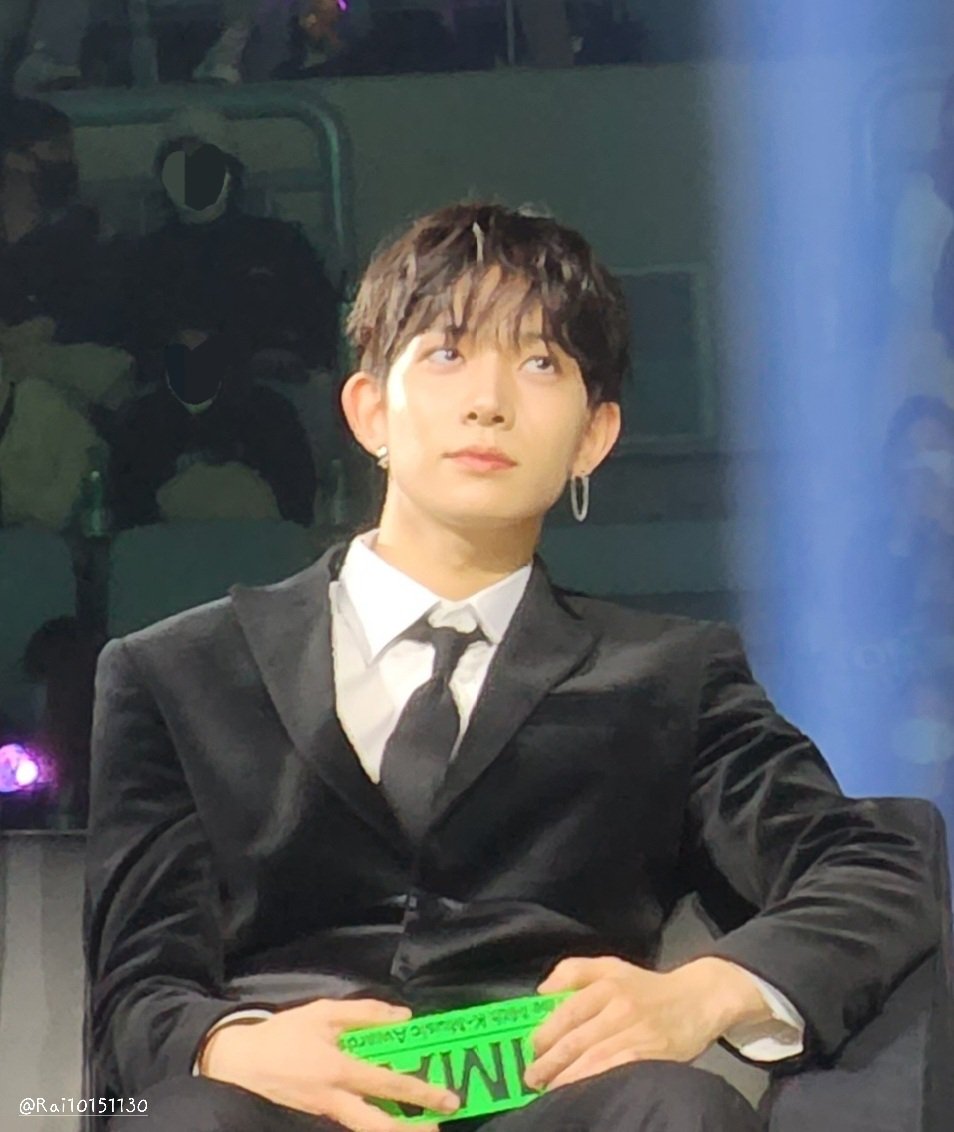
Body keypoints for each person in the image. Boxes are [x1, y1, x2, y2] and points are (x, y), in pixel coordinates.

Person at [86, 201, 940, 1132]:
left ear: (593, 437)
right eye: (446, 354)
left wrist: (705, 993)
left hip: (564, 1099)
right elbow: (138, 987)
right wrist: (232, 1046)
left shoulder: (670, 676)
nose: (488, 401)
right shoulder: (177, 672)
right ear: (369, 411)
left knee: (674, 1105)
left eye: (540, 364)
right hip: (275, 1099)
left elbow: (874, 866)